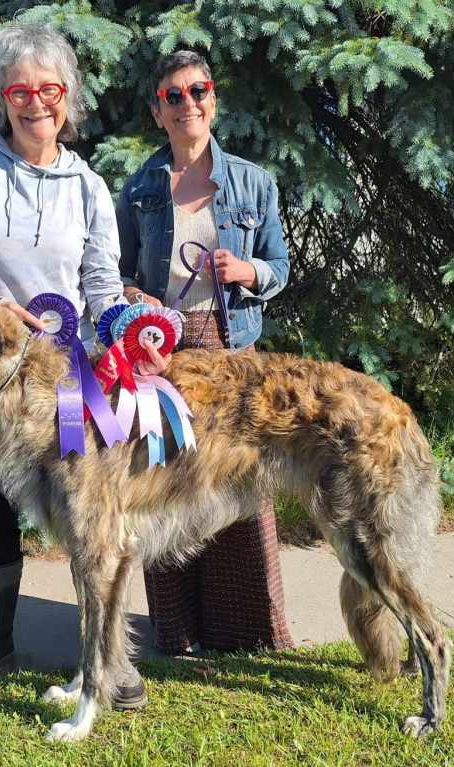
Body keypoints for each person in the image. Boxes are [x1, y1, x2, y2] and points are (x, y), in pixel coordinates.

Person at [0, 23, 162, 708]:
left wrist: (129, 328)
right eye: (18, 90)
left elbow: (101, 285)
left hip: (69, 382)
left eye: (48, 89)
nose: (34, 103)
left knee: (91, 516)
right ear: (2, 95)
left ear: (67, 95)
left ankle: (108, 659)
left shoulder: (88, 184)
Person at [116, 49, 294, 654]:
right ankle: (178, 631)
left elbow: (279, 267)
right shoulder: (139, 188)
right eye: (174, 95)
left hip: (231, 350)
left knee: (239, 485)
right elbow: (117, 271)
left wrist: (246, 270)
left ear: (213, 99)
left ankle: (249, 632)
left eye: (199, 90)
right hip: (159, 355)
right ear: (157, 111)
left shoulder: (253, 182)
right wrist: (136, 298)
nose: (187, 103)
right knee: (164, 482)